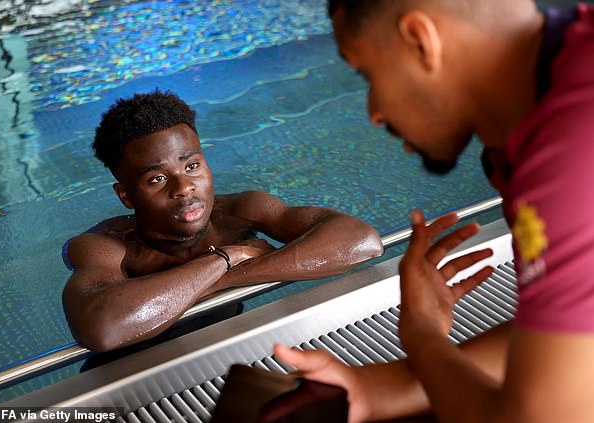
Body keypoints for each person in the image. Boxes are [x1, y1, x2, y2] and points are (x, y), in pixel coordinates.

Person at [275, 1, 594, 422]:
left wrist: (422, 334)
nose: (373, 112)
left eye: (368, 74)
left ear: (421, 41)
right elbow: (572, 342)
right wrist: (377, 389)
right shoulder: (554, 80)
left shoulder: (571, 146)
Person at [62, 90, 384, 352]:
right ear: (127, 197)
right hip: (127, 378)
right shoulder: (105, 246)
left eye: (191, 167)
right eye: (158, 178)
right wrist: (227, 258)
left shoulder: (240, 211)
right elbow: (102, 328)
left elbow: (361, 241)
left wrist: (224, 279)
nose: (184, 187)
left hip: (230, 351)